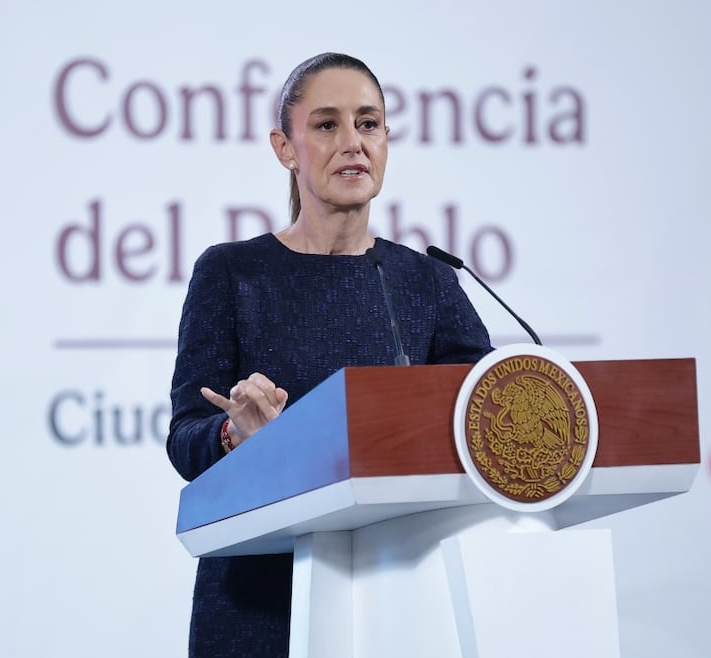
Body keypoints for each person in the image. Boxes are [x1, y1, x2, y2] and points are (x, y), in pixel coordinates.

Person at [166, 52, 492, 658]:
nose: (353, 143)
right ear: (284, 147)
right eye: (326, 125)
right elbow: (186, 437)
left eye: (368, 124)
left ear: (387, 141)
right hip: (261, 600)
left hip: (399, 599)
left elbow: (483, 423)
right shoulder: (232, 273)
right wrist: (235, 438)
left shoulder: (428, 284)